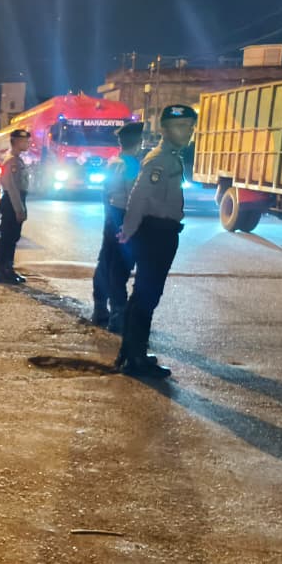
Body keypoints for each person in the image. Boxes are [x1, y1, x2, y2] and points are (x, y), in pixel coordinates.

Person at [113, 104, 195, 379]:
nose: (188, 131)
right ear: (165, 130)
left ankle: (131, 351)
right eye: (180, 126)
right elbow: (139, 196)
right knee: (146, 295)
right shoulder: (160, 160)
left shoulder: (170, 157)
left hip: (161, 232)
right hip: (156, 234)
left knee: (145, 295)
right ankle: (134, 358)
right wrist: (128, 229)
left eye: (190, 126)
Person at [92, 120, 143, 330]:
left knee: (106, 261)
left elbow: (105, 192)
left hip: (112, 215)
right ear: (139, 143)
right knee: (120, 268)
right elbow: (134, 197)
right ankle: (118, 315)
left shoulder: (113, 162)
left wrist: (109, 216)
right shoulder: (131, 165)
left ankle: (100, 308)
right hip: (124, 216)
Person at [0, 128, 31, 285]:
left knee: (12, 237)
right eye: (24, 141)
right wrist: (19, 209)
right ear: (16, 142)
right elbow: (12, 188)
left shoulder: (16, 159)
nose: (28, 144)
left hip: (14, 201)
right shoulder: (12, 161)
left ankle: (7, 269)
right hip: (12, 202)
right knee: (8, 238)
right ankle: (2, 271)